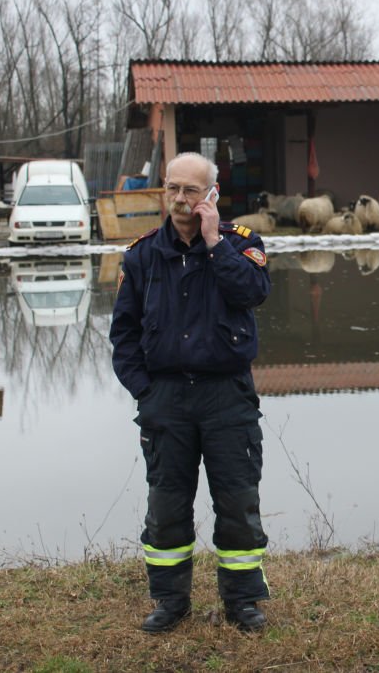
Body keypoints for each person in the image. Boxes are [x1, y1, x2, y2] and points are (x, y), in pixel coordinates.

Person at [109, 151, 272, 634]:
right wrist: (146, 393)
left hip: (227, 397)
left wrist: (213, 241)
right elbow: (124, 336)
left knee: (238, 504)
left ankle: (242, 602)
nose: (181, 199)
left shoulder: (241, 244)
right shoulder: (141, 256)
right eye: (173, 188)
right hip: (167, 401)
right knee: (166, 508)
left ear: (211, 196)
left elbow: (253, 292)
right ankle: (170, 600)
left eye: (192, 191)